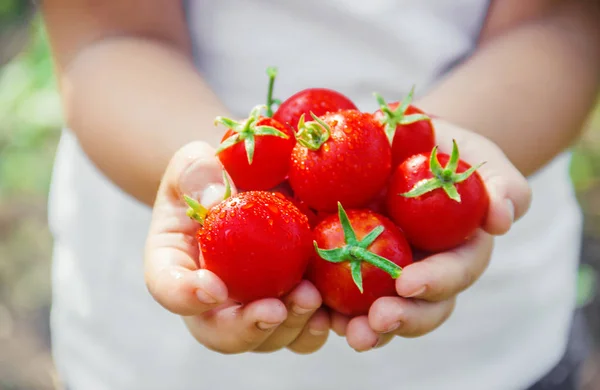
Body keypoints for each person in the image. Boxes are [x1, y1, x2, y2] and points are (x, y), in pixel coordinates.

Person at [41, 0, 600, 389]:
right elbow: (106, 37)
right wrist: (208, 178)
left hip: (490, 351)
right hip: (154, 362)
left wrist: (431, 160)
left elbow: (561, 26)